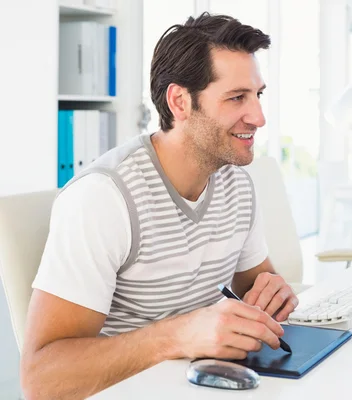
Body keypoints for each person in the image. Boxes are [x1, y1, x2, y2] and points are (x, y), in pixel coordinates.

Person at [20, 12, 299, 400]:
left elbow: (254, 285)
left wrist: (271, 293)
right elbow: (40, 380)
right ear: (180, 101)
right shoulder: (105, 197)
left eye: (258, 95)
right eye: (237, 97)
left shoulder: (235, 181)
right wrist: (177, 335)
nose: (258, 117)